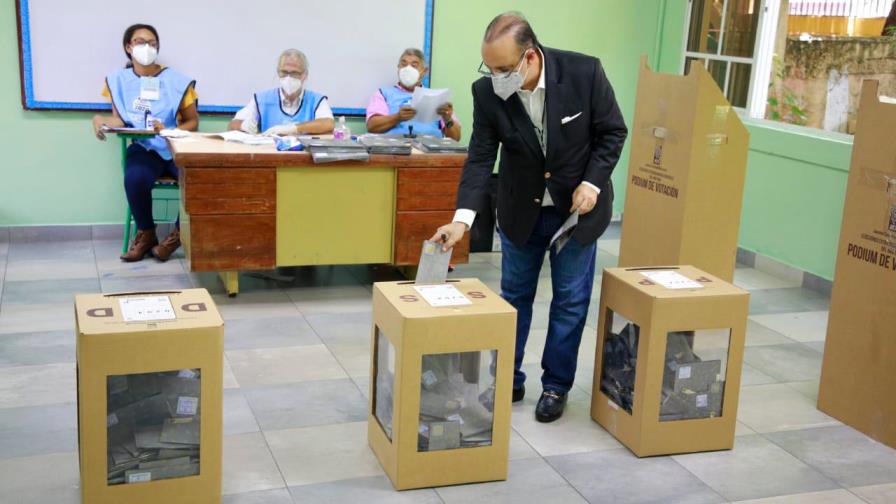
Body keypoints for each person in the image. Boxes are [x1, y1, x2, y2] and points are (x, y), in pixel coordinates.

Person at [430, 12, 628, 422]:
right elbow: (481, 156)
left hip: (577, 210)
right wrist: (461, 220)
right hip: (521, 209)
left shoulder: (583, 72)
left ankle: (555, 386)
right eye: (490, 67)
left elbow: (612, 132)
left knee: (571, 301)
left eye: (504, 68)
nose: (495, 76)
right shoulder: (487, 93)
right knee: (515, 297)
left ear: (531, 57)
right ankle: (509, 379)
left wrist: (591, 184)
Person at [92, 23, 199, 262]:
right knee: (135, 177)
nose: (147, 47)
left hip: (174, 147)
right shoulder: (118, 80)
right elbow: (119, 118)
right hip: (144, 148)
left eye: (152, 43)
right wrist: (99, 120)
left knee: (199, 180)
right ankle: (147, 234)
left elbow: (192, 122)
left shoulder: (177, 81)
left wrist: (169, 131)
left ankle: (177, 237)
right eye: (140, 42)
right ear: (128, 47)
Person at [228, 49, 334, 135]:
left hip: (305, 157)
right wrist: (243, 125)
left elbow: (328, 124)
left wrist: (293, 129)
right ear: (278, 72)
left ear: (304, 75)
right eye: (284, 72)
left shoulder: (316, 100)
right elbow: (232, 125)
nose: (288, 77)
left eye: (295, 73)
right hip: (269, 156)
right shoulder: (261, 99)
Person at [366, 48, 461, 141]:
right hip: (396, 150)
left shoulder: (435, 97)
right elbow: (372, 126)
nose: (407, 69)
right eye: (403, 64)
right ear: (398, 68)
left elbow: (455, 138)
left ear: (424, 71)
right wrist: (397, 117)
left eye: (414, 65)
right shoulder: (383, 94)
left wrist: (448, 119)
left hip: (430, 151)